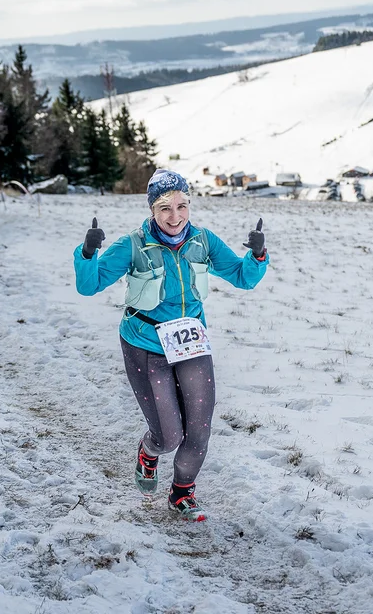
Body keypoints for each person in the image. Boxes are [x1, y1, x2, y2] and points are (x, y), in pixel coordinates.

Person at [74, 169, 268, 521]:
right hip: (146, 344)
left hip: (190, 342)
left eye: (182, 206)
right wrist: (88, 252)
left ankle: (182, 492)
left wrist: (256, 257)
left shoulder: (203, 241)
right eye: (165, 208)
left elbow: (242, 277)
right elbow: (90, 286)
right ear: (152, 210)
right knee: (169, 436)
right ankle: (149, 452)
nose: (175, 216)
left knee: (199, 430)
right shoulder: (133, 245)